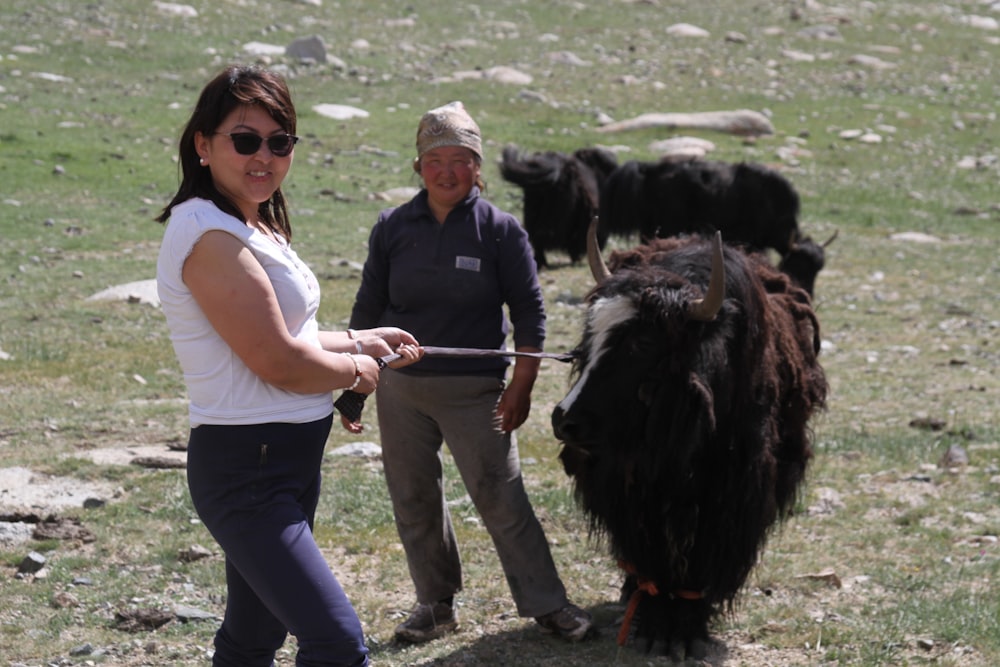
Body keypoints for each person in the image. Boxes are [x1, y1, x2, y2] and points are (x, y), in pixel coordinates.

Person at [154, 64, 422, 667]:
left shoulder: (253, 223)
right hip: (247, 470)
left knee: (253, 639)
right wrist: (355, 372)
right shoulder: (209, 234)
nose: (264, 157)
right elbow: (277, 359)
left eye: (280, 142)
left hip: (285, 461)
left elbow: (284, 334)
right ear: (203, 144)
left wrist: (358, 339)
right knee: (336, 642)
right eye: (244, 140)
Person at [347, 101, 593, 644]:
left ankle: (549, 605)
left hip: (476, 392)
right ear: (419, 167)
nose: (448, 171)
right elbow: (367, 312)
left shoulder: (501, 232)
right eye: (436, 159)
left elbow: (529, 312)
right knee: (413, 498)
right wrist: (353, 388)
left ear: (478, 167)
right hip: (400, 389)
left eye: (461, 159)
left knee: (501, 498)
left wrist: (522, 385)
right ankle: (434, 606)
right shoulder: (392, 227)